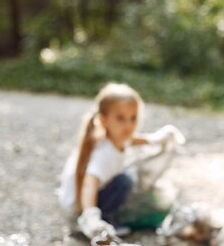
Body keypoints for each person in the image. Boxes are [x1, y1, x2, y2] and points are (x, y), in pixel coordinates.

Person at [58, 82, 184, 238]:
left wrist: (156, 139)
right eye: (121, 118)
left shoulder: (114, 137)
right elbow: (89, 184)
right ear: (104, 120)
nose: (128, 125)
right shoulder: (103, 154)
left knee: (126, 177)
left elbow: (132, 140)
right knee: (125, 180)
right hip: (80, 202)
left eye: (133, 118)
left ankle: (101, 212)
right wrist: (90, 215)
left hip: (79, 198)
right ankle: (105, 218)